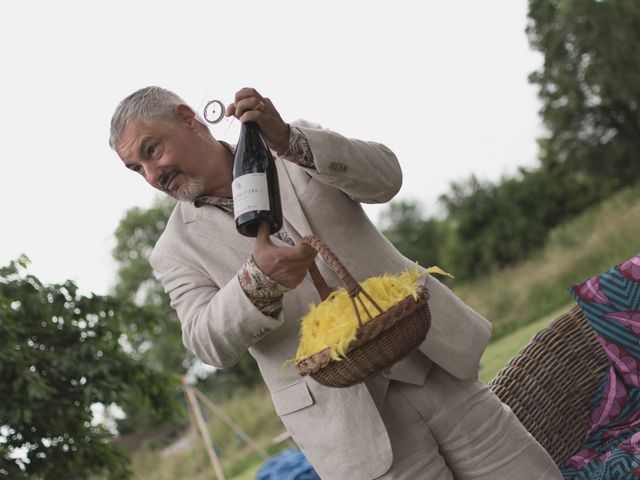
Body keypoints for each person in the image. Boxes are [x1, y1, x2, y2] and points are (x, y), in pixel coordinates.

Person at [109, 86, 562, 479]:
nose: (152, 175)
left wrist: (289, 141)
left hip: (432, 362)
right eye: (137, 169)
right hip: (350, 430)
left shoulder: (288, 142)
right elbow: (206, 341)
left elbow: (387, 178)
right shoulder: (171, 251)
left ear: (188, 120)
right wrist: (256, 282)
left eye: (151, 151)